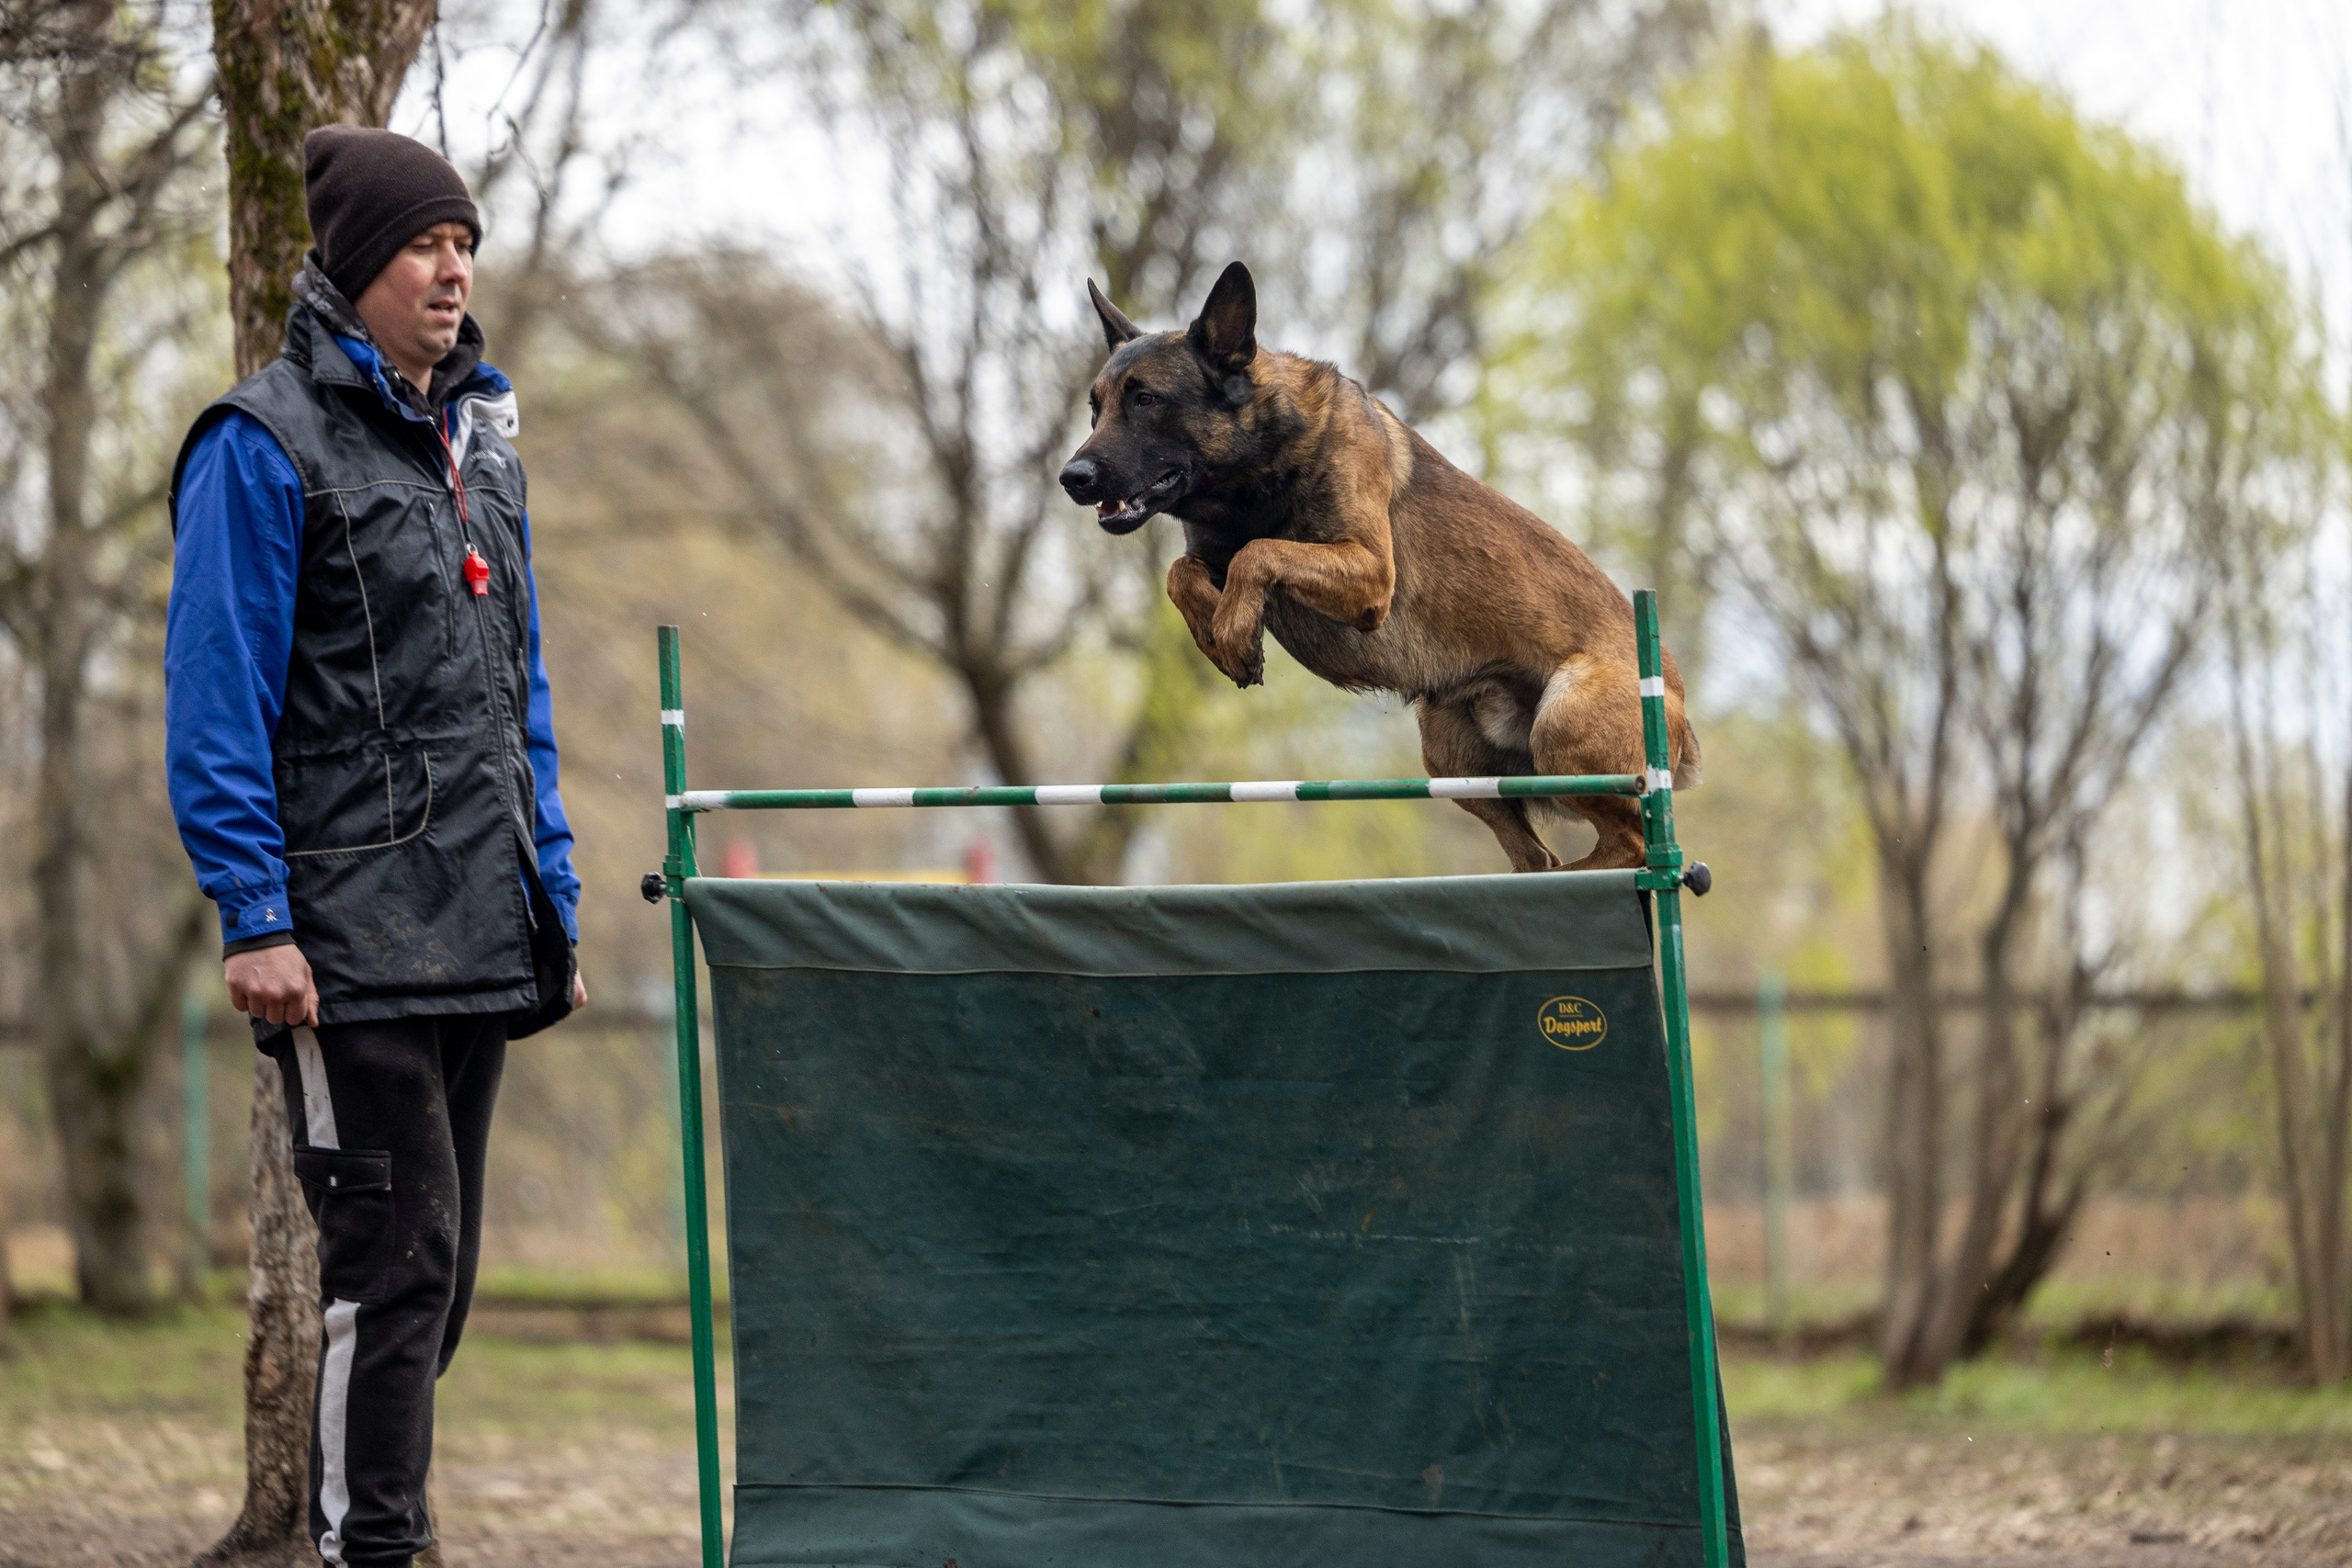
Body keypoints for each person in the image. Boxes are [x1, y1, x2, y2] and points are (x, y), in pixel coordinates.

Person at [164, 126, 583, 1568]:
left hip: (478, 923)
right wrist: (253, 917)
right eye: (426, 245)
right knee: (387, 1277)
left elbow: (514, 693)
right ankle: (372, 1554)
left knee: (438, 1286)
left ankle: (383, 1531)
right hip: (345, 942)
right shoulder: (260, 444)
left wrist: (556, 903)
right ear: (359, 267)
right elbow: (216, 698)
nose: (454, 268)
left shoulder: (483, 446)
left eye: (464, 243)